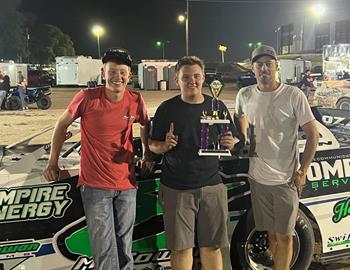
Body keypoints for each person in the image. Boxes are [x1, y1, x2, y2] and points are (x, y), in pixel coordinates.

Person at [43, 47, 153, 270]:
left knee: (124, 248)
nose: (117, 77)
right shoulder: (86, 97)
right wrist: (53, 162)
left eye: (122, 72)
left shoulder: (135, 99)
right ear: (103, 73)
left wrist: (147, 154)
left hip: (127, 185)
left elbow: (146, 123)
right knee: (104, 250)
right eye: (112, 71)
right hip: (95, 186)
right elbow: (61, 124)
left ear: (129, 75)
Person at [149, 56, 239, 270]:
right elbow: (152, 144)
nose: (192, 81)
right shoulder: (166, 109)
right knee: (181, 249)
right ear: (177, 79)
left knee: (212, 247)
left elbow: (233, 140)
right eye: (186, 77)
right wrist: (164, 146)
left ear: (203, 78)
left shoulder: (216, 106)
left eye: (196, 76)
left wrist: (230, 142)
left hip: (211, 186)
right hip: (176, 189)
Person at [235, 45, 319, 270]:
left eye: (268, 64)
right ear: (253, 69)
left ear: (276, 66)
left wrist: (303, 170)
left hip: (285, 181)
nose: (264, 69)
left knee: (285, 237)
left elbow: (313, 134)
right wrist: (243, 139)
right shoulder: (245, 94)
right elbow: (239, 117)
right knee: (271, 234)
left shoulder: (293, 95)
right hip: (257, 179)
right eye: (259, 65)